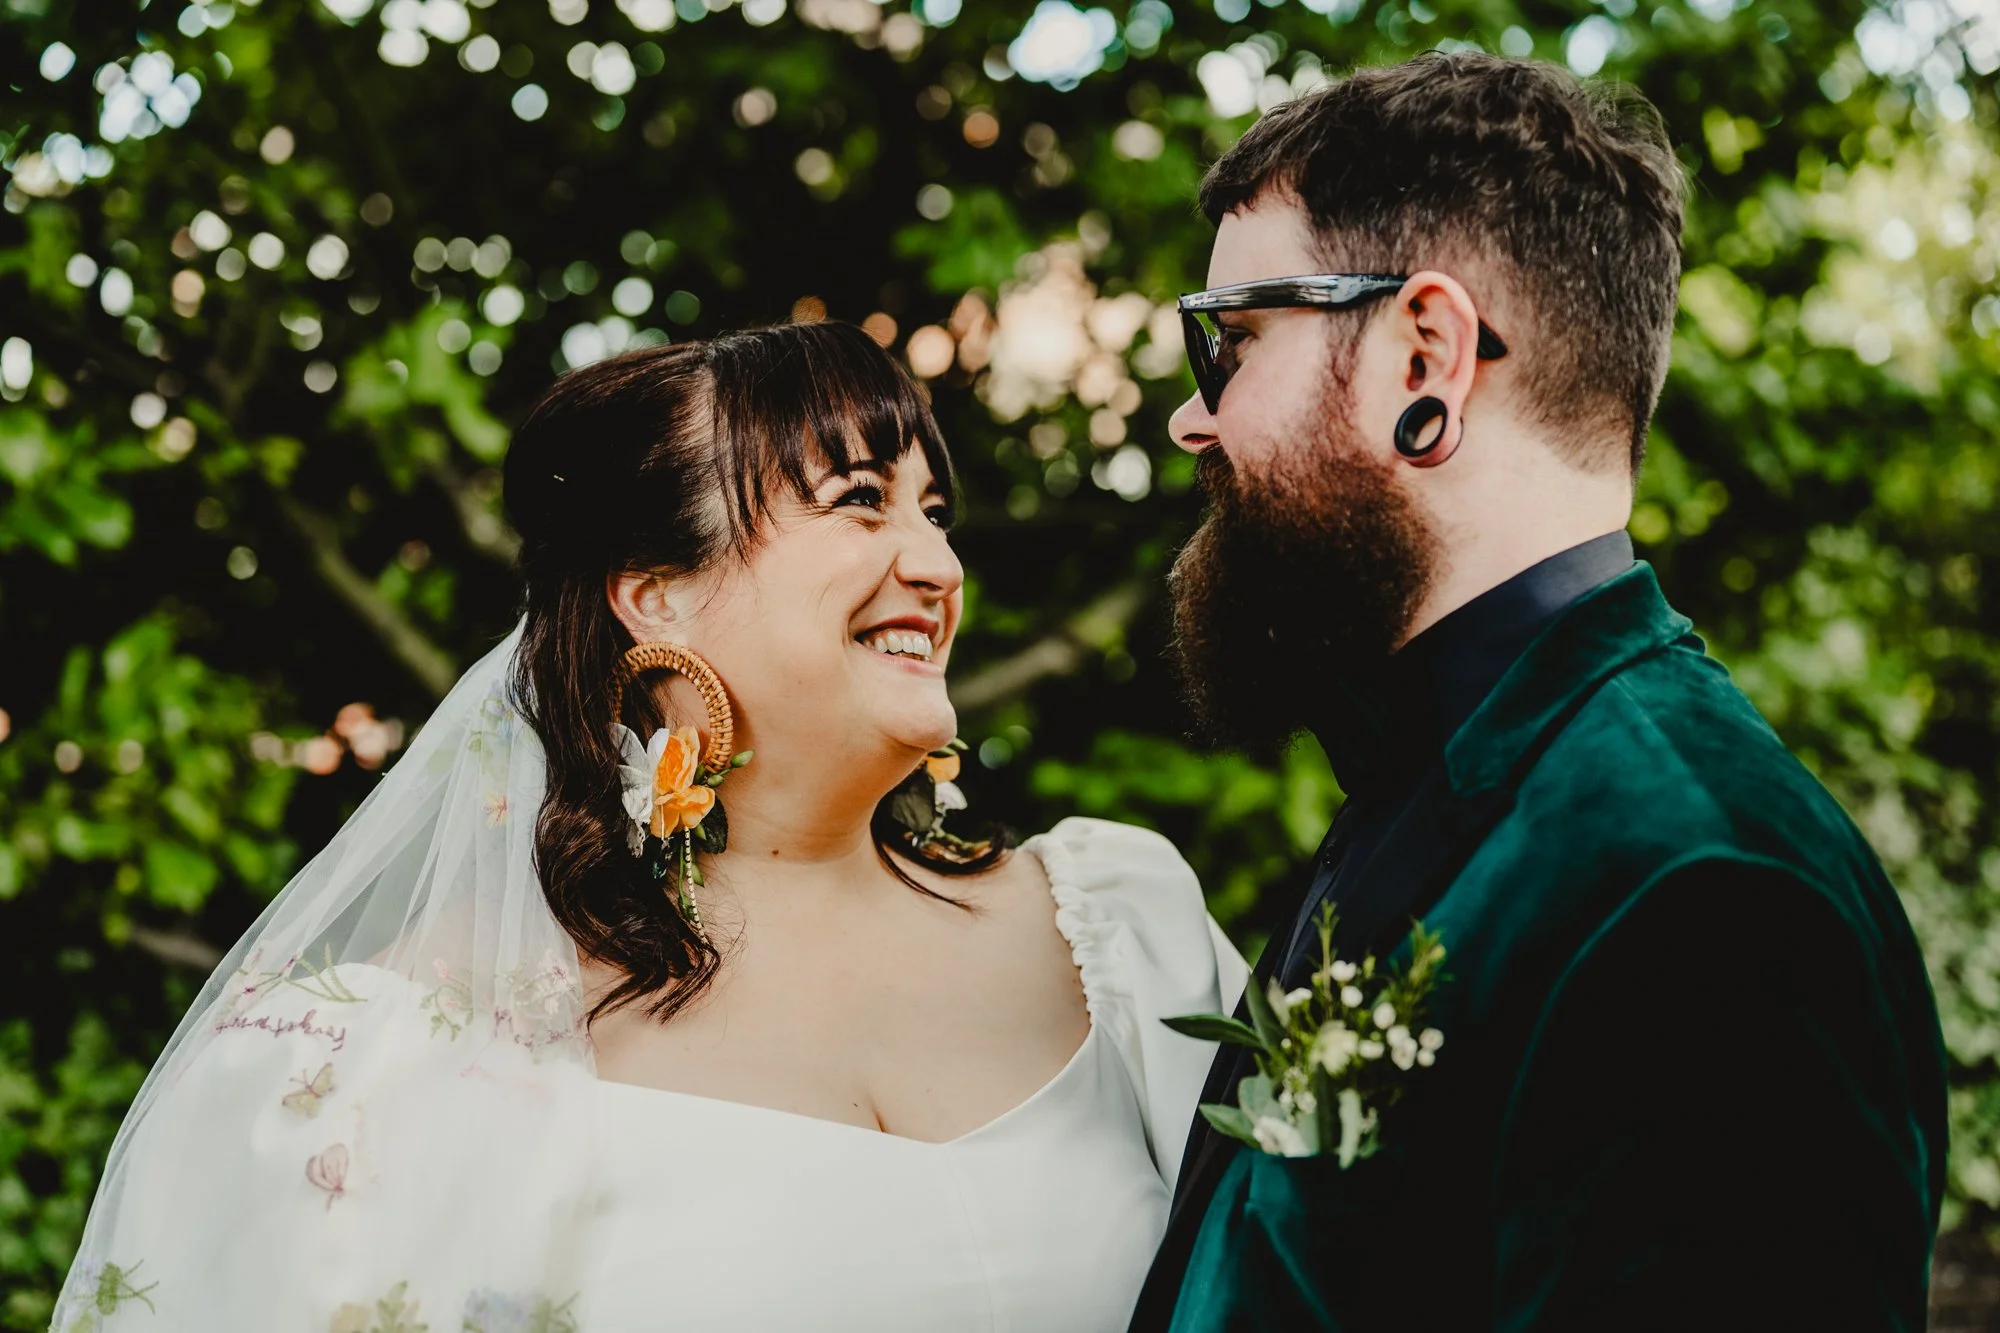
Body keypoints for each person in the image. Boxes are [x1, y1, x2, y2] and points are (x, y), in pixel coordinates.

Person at [55, 321, 1246, 1331]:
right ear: (656, 594)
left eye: (934, 511)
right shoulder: (404, 1048)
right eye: (860, 501)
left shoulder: (1114, 931)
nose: (934, 562)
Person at [1130, 52, 1947, 1332]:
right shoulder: (1445, 774)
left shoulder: (1699, 889)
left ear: (1425, 359)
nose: (1192, 416)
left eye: (1230, 341)